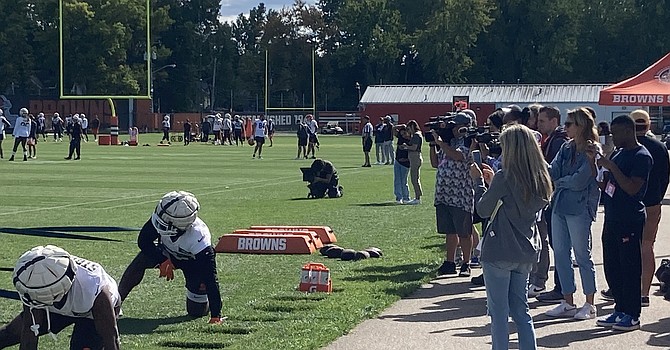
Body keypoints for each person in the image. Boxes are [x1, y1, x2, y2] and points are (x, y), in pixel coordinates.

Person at [475, 124, 552, 350]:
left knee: (498, 313)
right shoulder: (542, 177)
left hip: (500, 248)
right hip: (526, 249)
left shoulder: (505, 176)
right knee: (521, 310)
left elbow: (483, 210)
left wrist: (479, 183)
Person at [117, 191, 224, 324]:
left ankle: (204, 303)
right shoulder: (164, 216)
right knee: (142, 259)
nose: (159, 222)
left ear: (181, 224)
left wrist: (216, 316)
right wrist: (162, 260)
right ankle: (116, 303)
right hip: (167, 252)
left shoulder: (200, 240)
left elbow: (211, 278)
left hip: (193, 263)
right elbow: (144, 241)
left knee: (196, 311)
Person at [0, 245, 121, 350]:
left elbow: (111, 340)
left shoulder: (97, 291)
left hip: (90, 313)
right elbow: (29, 333)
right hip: (58, 301)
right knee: (8, 334)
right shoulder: (32, 279)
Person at [595, 115, 652, 331]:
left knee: (629, 267)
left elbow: (632, 188)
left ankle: (632, 314)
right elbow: (606, 185)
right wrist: (597, 164)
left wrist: (611, 165)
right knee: (612, 265)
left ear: (629, 131)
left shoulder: (641, 156)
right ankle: (619, 308)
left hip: (630, 218)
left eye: (616, 132)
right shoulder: (618, 153)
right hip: (612, 216)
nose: (612, 137)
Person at [544, 108, 600, 320]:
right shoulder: (566, 148)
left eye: (569, 124)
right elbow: (553, 171)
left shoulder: (592, 149)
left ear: (581, 126)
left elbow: (579, 181)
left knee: (582, 255)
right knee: (560, 253)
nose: (565, 128)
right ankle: (567, 301)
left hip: (579, 208)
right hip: (559, 206)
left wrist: (559, 183)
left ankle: (590, 303)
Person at [430, 112, 475, 277]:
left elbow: (458, 156)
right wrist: (432, 145)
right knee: (450, 230)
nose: (453, 128)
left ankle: (466, 263)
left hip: (460, 194)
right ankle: (449, 262)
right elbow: (436, 163)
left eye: (456, 125)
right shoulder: (449, 142)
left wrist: (441, 143)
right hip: (444, 194)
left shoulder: (469, 141)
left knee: (464, 231)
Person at [632, 110, 669, 307]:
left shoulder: (628, 147)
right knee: (647, 247)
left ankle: (625, 288)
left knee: (629, 247)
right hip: (653, 203)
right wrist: (658, 197)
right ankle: (644, 293)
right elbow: (665, 177)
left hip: (631, 204)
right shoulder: (660, 147)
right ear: (648, 125)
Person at [533, 106, 570, 303]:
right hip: (553, 198)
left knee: (560, 246)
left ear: (554, 121)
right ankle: (561, 288)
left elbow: (553, 171)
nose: (538, 124)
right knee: (557, 245)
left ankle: (562, 289)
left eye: (542, 121)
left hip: (556, 198)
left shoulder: (558, 141)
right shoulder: (552, 140)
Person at [400, 120, 423, 205]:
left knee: (414, 178)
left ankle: (417, 198)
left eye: (409, 128)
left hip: (415, 157)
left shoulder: (416, 135)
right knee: (415, 178)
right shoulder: (417, 134)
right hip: (414, 157)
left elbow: (414, 147)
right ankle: (418, 196)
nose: (409, 131)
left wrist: (406, 146)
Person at [392, 125, 411, 203]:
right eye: (402, 134)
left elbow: (414, 152)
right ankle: (398, 197)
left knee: (404, 181)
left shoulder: (411, 140)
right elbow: (393, 129)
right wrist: (401, 126)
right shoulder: (401, 138)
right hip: (397, 161)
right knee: (397, 180)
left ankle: (406, 197)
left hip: (406, 163)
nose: (403, 135)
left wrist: (406, 159)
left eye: (404, 133)